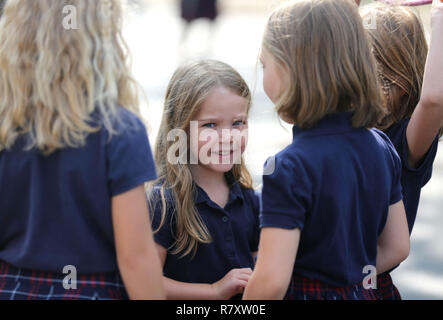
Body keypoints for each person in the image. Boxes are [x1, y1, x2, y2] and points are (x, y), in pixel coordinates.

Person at [243, 0, 410, 300]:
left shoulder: (287, 168)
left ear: (291, 71)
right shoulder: (381, 146)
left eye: (265, 65)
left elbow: (270, 283)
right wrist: (348, 281)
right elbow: (398, 246)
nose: (262, 74)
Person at [0, 0, 164, 300]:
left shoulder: (6, 127)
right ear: (102, 37)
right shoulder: (120, 131)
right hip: (93, 290)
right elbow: (135, 258)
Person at [148, 60, 260, 300]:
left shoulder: (249, 198)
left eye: (238, 122)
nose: (228, 137)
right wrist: (213, 291)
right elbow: (144, 282)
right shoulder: (163, 202)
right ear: (181, 130)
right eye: (211, 125)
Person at [361, 0, 443, 300]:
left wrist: (439, 15)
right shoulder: (343, 126)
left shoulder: (407, 139)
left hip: (366, 285)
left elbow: (434, 98)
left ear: (401, 80)